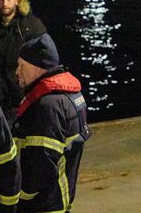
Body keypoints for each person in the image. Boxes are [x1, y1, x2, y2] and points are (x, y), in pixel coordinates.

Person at [14, 34, 89, 213]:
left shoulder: (47, 106)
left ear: (37, 68)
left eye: (22, 66)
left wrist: (18, 196)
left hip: (43, 204)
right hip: (60, 197)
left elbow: (41, 163)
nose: (17, 71)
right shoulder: (70, 96)